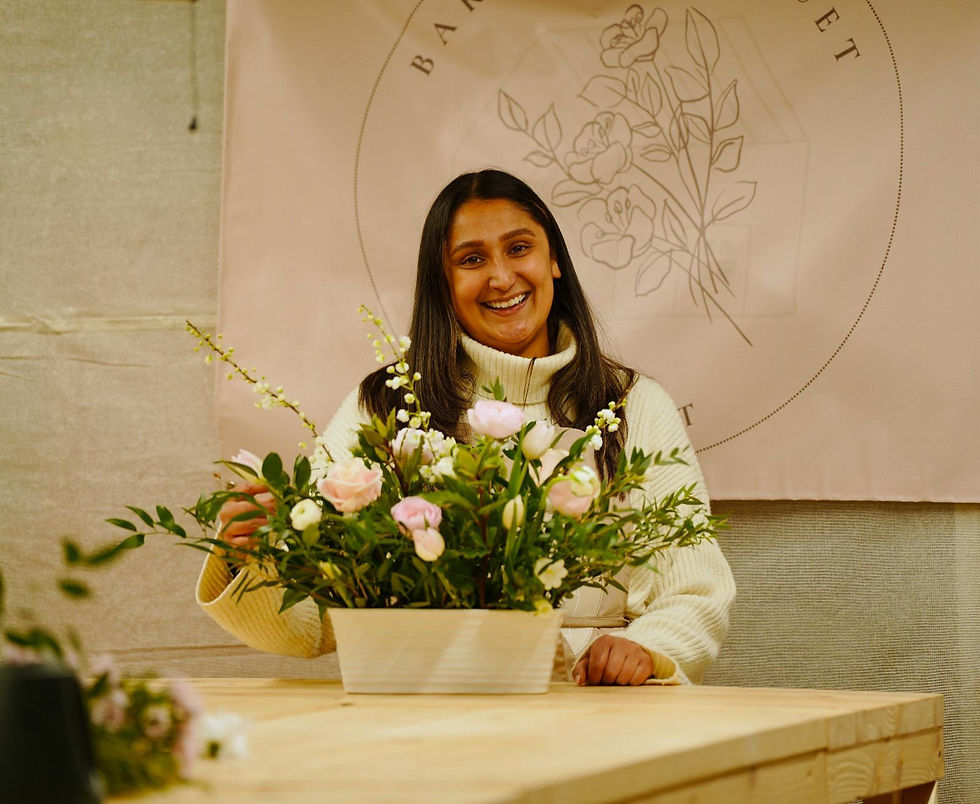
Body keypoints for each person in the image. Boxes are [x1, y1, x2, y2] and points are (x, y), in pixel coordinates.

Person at [198, 169, 736, 686]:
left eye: (519, 248)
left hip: (593, 707)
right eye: (472, 259)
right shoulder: (386, 405)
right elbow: (312, 618)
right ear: (445, 283)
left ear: (554, 261)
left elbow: (694, 589)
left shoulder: (632, 405)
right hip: (424, 705)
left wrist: (647, 648)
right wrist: (251, 557)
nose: (502, 277)